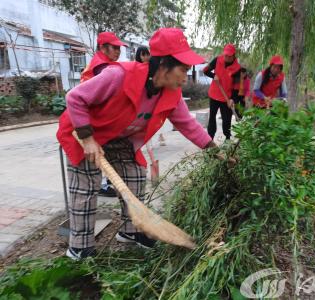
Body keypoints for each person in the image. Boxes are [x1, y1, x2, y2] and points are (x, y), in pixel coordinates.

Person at [57, 28, 216, 260]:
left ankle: (131, 232)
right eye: (182, 69)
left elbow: (188, 125)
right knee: (86, 188)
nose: (185, 76)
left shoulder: (171, 93)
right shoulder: (119, 76)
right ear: (163, 66)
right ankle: (80, 247)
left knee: (135, 177)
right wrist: (89, 138)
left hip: (119, 139)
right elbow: (75, 97)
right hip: (84, 134)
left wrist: (215, 151)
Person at [80, 32, 129, 197]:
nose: (118, 51)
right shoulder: (102, 66)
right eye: (114, 47)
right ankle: (103, 185)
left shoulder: (103, 63)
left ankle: (104, 184)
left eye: (119, 48)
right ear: (102, 47)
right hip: (89, 121)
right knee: (96, 160)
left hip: (91, 118)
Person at [203, 44, 241, 140]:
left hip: (226, 98)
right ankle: (210, 139)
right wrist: (213, 76)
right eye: (226, 55)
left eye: (229, 56)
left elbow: (236, 87)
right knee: (212, 117)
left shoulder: (237, 68)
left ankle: (227, 138)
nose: (227, 58)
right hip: (214, 95)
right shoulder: (217, 60)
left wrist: (233, 99)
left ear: (233, 55)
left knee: (226, 120)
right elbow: (205, 70)